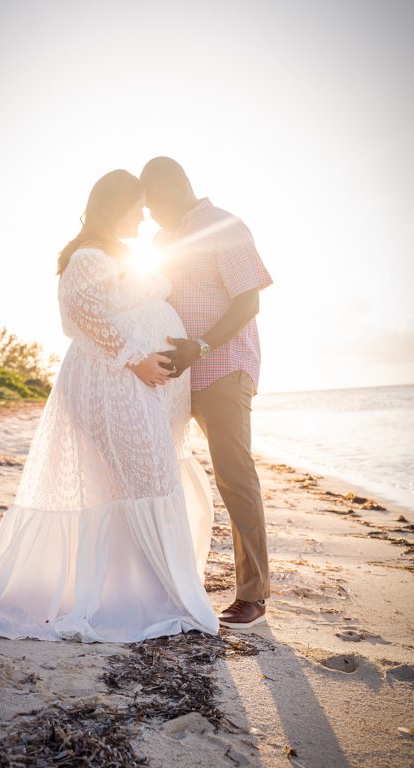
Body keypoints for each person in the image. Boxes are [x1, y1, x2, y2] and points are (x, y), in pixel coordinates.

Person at [0, 170, 219, 642]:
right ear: (115, 205)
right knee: (146, 480)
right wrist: (136, 358)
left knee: (134, 483)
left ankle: (135, 590)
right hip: (110, 382)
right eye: (137, 207)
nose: (143, 217)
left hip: (137, 386)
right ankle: (149, 597)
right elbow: (81, 316)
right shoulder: (87, 256)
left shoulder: (120, 255)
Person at [141, 156, 273, 630]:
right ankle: (165, 581)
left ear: (176, 188)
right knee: (157, 473)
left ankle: (253, 595)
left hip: (222, 368)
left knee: (234, 476)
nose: (150, 216)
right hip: (173, 376)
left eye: (152, 203)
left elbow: (249, 299)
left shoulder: (225, 226)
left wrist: (201, 345)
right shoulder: (159, 241)